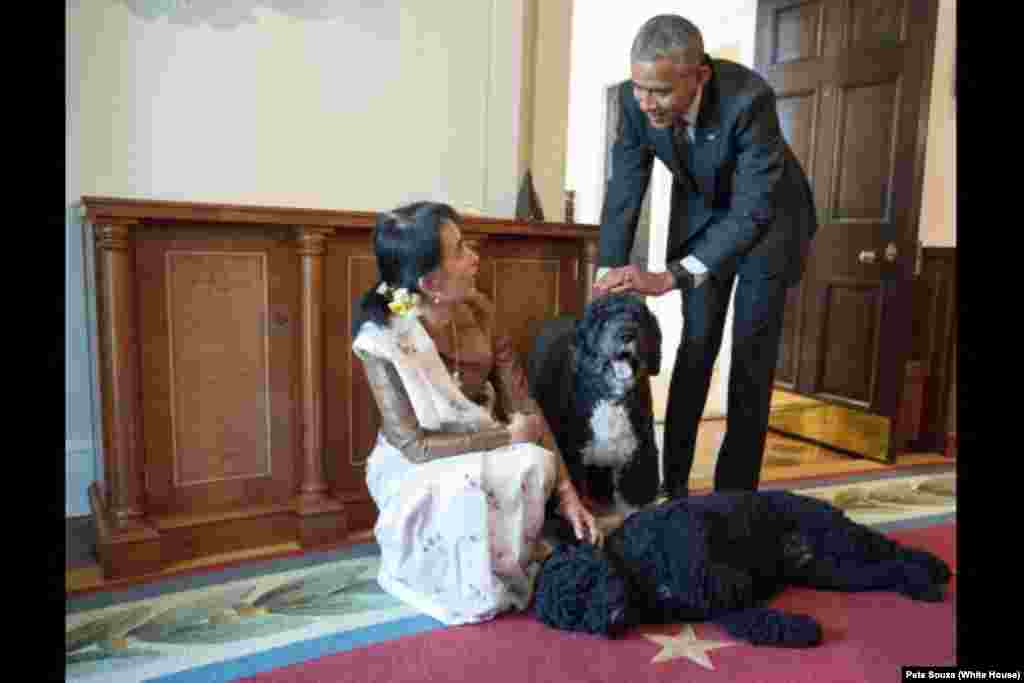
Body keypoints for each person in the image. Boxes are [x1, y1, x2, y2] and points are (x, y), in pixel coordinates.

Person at [592, 14, 818, 499]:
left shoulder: (749, 98)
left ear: (699, 75)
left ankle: (734, 499)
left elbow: (753, 209)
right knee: (695, 349)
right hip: (703, 215)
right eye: (639, 88)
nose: (646, 103)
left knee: (751, 356)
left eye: (660, 92)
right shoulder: (636, 105)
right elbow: (626, 187)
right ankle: (672, 489)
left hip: (771, 220)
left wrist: (674, 275)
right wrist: (608, 272)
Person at [352, 201, 602, 626]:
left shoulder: (481, 313)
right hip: (414, 462)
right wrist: (508, 437)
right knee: (467, 485)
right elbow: (414, 444)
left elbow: (524, 406)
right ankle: (462, 582)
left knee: (533, 462)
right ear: (431, 281)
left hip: (483, 433)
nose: (474, 258)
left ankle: (500, 568)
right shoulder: (384, 339)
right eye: (460, 250)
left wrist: (568, 494)